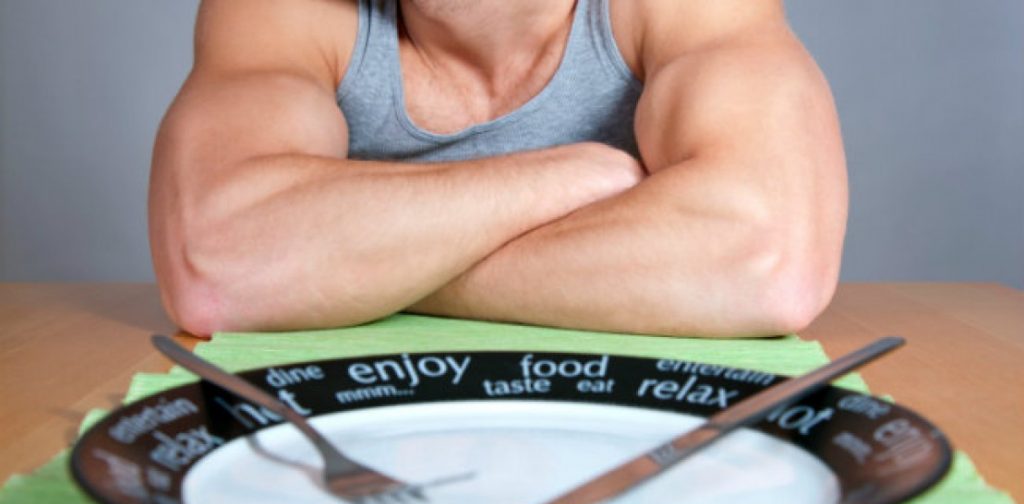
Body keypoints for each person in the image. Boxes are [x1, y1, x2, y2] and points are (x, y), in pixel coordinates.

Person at [149, 0, 847, 339]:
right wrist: (567, 180)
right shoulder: (282, 10)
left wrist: (361, 270)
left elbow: (768, 262)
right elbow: (218, 264)